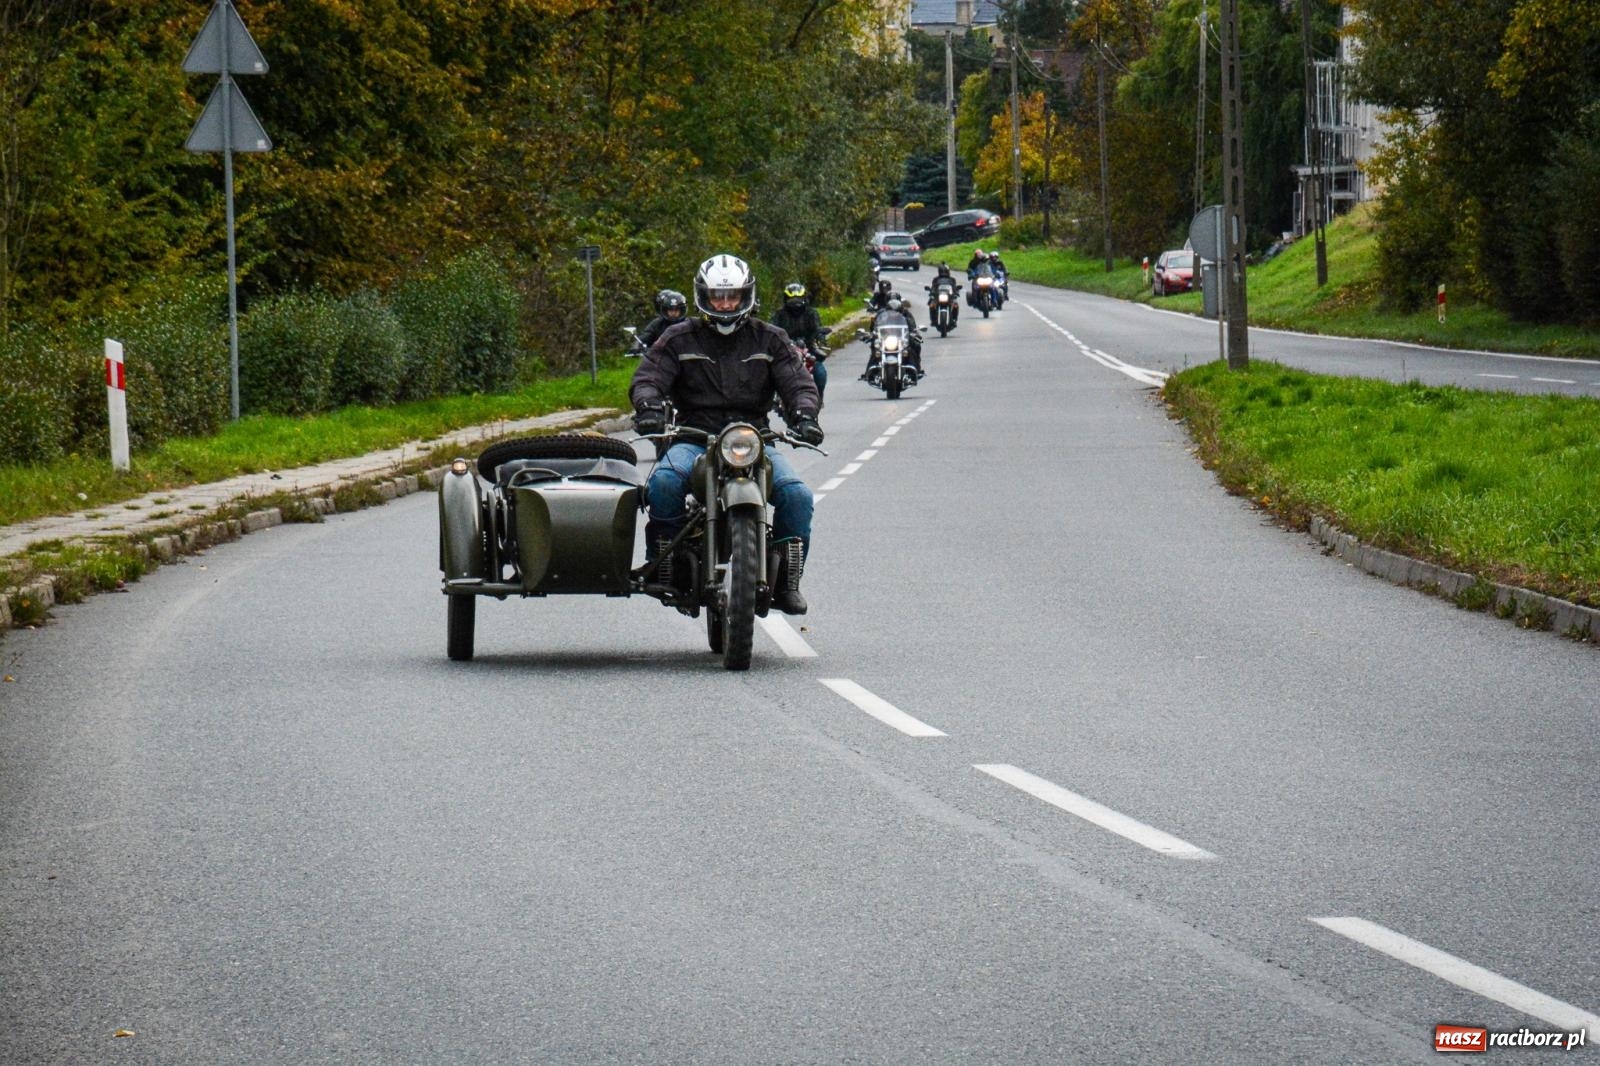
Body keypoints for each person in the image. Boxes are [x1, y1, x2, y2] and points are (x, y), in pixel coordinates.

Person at [630, 255, 823, 615]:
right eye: (717, 296)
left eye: (732, 296)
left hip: (754, 439)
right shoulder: (678, 337)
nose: (724, 304)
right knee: (665, 484)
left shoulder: (771, 338)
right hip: (693, 435)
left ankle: (787, 582)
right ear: (703, 296)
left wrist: (805, 415)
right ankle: (664, 564)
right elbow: (649, 377)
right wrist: (649, 408)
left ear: (745, 296)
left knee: (797, 496)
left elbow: (798, 382)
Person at [769, 281, 828, 402]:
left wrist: (821, 341)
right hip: (785, 351)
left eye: (798, 298)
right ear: (786, 299)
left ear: (804, 298)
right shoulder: (779, 315)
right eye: (792, 299)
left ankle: (819, 397)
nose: (795, 302)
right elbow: (771, 331)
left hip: (809, 350)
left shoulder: (811, 313)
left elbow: (817, 330)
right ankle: (770, 400)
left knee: (820, 372)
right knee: (767, 373)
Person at [860, 295, 924, 381]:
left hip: (901, 339)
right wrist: (871, 334)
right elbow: (875, 326)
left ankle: (917, 369)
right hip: (886, 339)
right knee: (875, 349)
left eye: (896, 311)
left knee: (913, 347)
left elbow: (912, 326)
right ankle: (868, 372)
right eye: (891, 311)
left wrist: (914, 333)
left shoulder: (906, 315)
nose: (894, 314)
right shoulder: (882, 315)